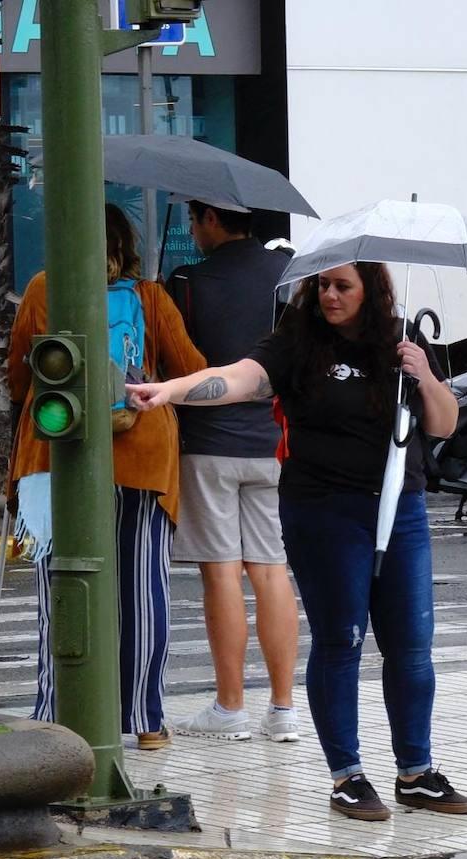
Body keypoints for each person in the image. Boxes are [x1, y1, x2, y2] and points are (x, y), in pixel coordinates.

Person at [127, 262, 467, 822]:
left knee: (411, 645)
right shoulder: (298, 341)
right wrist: (171, 390)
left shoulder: (402, 339)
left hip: (399, 507)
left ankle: (417, 772)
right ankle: (347, 776)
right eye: (323, 285)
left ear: (372, 290)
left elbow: (442, 425)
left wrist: (425, 375)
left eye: (344, 286)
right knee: (341, 637)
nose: (330, 295)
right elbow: (239, 378)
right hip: (324, 510)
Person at [7, 203, 206, 750]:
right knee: (143, 589)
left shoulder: (44, 289)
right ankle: (145, 720)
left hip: (58, 453)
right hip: (143, 453)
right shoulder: (150, 295)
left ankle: (55, 708)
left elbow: (19, 374)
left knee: (60, 588)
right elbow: (192, 369)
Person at [162, 201, 301, 743]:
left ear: (210, 220)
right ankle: (284, 709)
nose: (193, 232)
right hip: (274, 445)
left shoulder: (187, 281)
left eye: (195, 222)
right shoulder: (288, 279)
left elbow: (174, 357)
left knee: (221, 572)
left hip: (207, 445)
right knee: (271, 570)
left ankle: (230, 707)